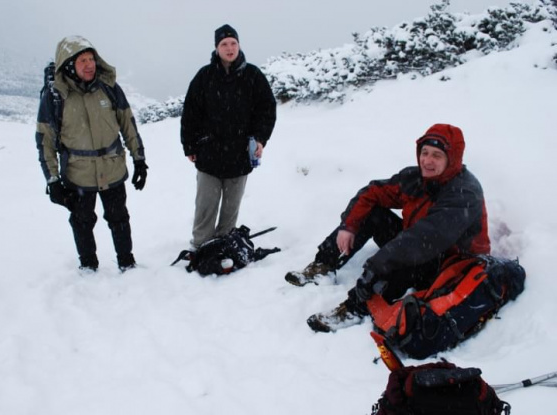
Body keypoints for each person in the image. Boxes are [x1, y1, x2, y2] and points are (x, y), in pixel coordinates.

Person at [285, 124, 491, 332]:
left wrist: (379, 263)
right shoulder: (416, 179)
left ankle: (355, 307)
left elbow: (426, 238)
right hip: (419, 243)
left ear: (452, 158)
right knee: (372, 214)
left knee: (400, 262)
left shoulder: (464, 193)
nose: (427, 160)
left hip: (449, 263)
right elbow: (373, 192)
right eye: (425, 152)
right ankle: (323, 266)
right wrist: (349, 226)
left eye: (437, 155)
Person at [35, 36, 148, 272]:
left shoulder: (108, 88)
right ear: (68, 65)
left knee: (119, 218)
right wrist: (53, 180)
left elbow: (128, 124)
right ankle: (88, 268)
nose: (89, 65)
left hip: (112, 168)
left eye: (91, 59)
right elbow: (45, 142)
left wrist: (139, 160)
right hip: (78, 174)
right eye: (82, 60)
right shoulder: (56, 97)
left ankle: (127, 263)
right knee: (82, 222)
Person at [180, 24, 277, 249]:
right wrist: (190, 146)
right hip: (209, 154)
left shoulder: (252, 75)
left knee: (231, 207)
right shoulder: (204, 76)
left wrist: (260, 139)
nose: (229, 48)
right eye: (224, 44)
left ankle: (223, 243)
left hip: (240, 153)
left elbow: (267, 109)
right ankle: (201, 246)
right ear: (216, 48)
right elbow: (190, 113)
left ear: (239, 45)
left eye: (233, 43)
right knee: (206, 206)